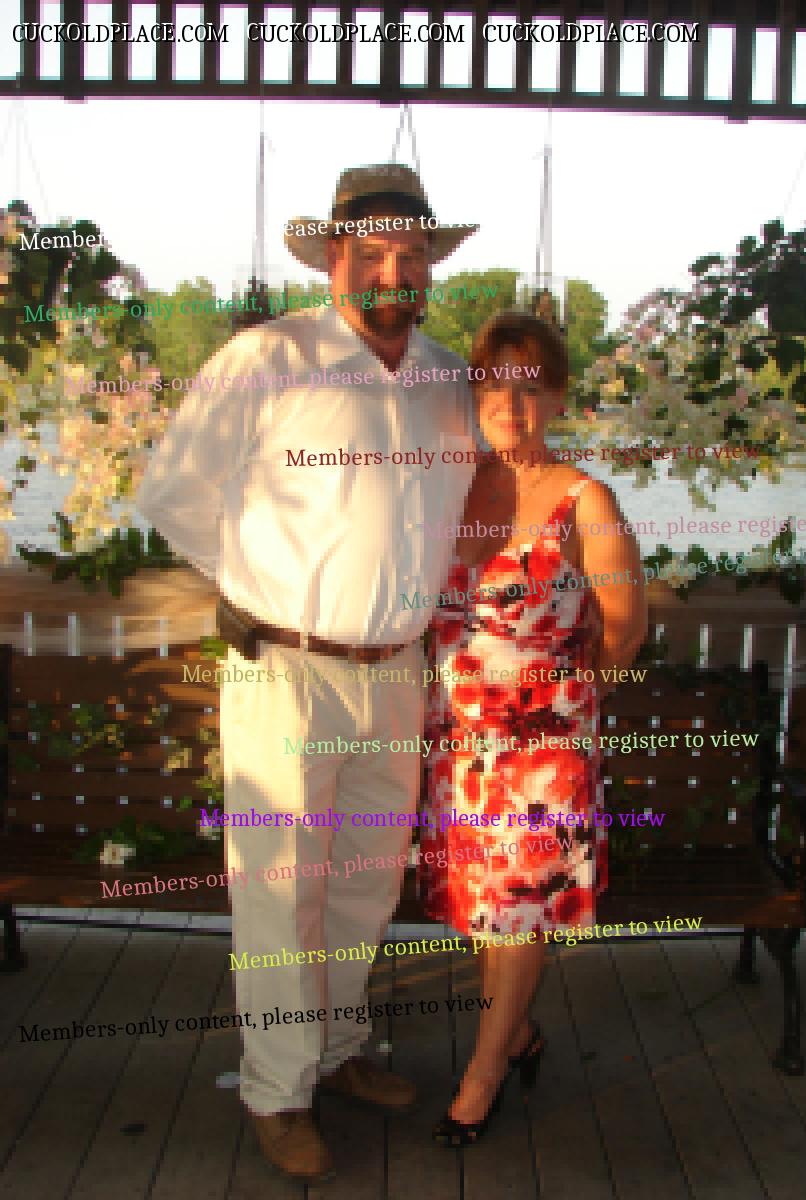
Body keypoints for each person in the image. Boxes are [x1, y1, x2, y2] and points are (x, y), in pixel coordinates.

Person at [135, 164, 478, 1183]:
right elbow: (174, 495)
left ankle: (335, 1050)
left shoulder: (449, 376)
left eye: (410, 254)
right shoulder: (267, 357)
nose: (391, 271)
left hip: (397, 670)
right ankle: (277, 1091)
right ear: (333, 256)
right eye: (370, 252)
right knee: (282, 894)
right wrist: (265, 585)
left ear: (430, 267)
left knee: (366, 885)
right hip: (285, 667)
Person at [417, 311, 648, 1146]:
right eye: (493, 383)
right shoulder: (452, 484)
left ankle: (482, 1077)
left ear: (557, 398)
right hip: (459, 747)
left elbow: (626, 625)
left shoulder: (587, 500)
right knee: (484, 907)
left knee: (517, 910)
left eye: (530, 386)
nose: (509, 404)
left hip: (541, 756)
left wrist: (566, 708)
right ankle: (516, 1035)